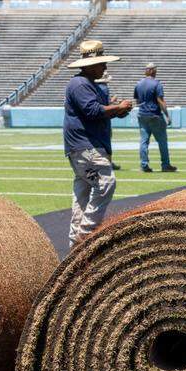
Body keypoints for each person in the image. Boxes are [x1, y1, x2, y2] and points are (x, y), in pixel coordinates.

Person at [63, 40, 132, 247]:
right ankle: (86, 236)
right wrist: (118, 107)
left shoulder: (87, 84)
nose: (105, 67)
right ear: (91, 64)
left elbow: (98, 113)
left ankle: (76, 241)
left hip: (83, 147)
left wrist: (117, 110)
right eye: (102, 63)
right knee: (105, 183)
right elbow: (93, 111)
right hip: (87, 147)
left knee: (83, 192)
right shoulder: (80, 84)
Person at [134, 63, 176, 173]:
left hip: (142, 115)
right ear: (152, 71)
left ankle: (144, 165)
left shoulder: (138, 84)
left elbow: (137, 102)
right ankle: (165, 165)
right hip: (155, 115)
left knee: (144, 141)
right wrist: (167, 115)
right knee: (162, 141)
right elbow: (160, 101)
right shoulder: (157, 84)